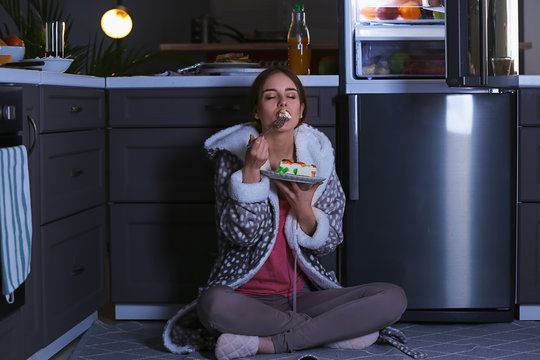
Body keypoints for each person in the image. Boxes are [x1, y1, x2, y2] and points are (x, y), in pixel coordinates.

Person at [163, 66, 413, 359]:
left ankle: (270, 343)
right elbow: (239, 237)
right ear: (257, 110)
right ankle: (330, 332)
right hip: (244, 298)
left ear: (301, 109)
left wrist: (305, 211)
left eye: (291, 96)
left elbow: (331, 241)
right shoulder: (233, 159)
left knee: (393, 298)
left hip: (301, 298)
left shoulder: (318, 161)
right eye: (271, 97)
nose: (283, 103)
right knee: (212, 304)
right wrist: (251, 174)